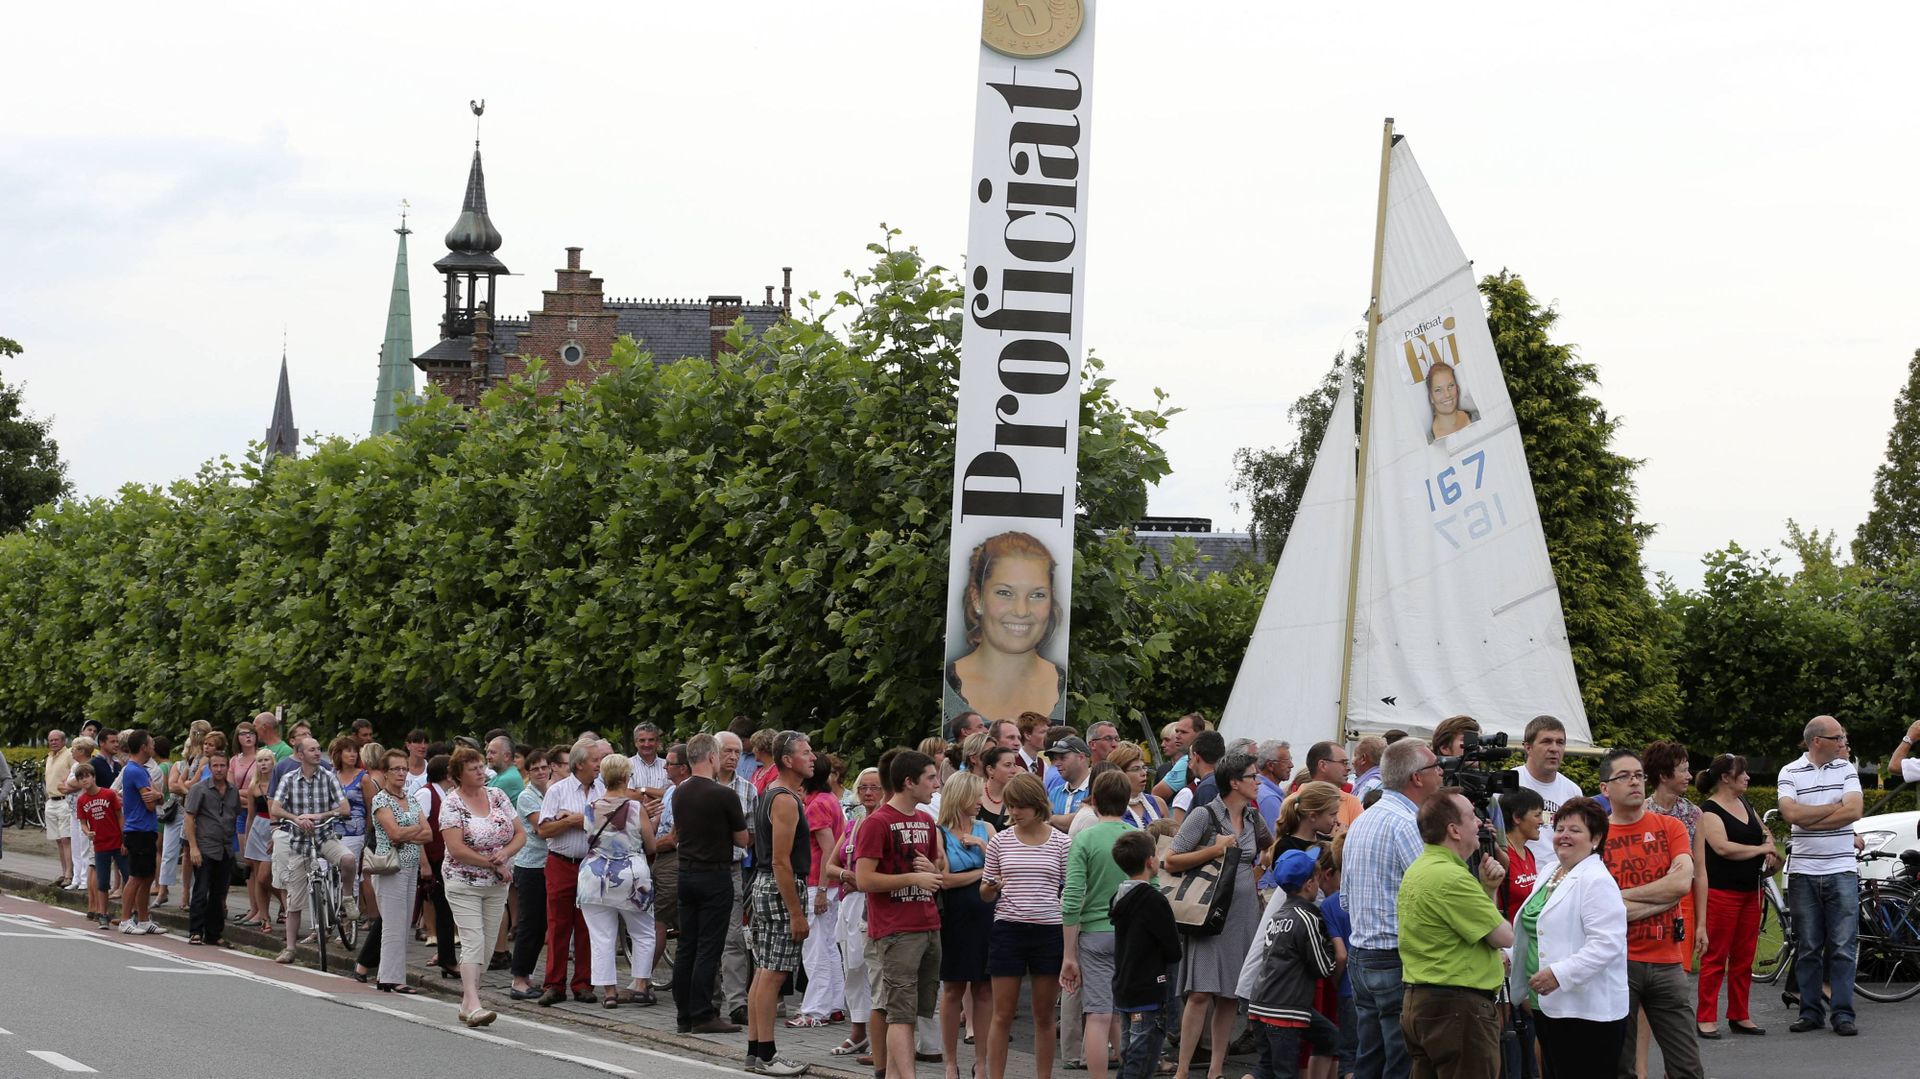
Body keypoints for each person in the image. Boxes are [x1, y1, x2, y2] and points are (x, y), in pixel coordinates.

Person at [1596, 749, 1703, 1078]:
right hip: (1617, 963)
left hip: (1667, 961)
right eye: (1624, 776)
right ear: (1605, 788)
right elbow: (1597, 910)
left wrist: (1619, 899)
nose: (1634, 781)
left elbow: (1682, 882)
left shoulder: (1669, 827)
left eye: (1639, 775)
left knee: (1687, 1066)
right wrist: (1661, 896)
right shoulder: (1596, 836)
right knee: (1620, 1065)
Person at [1165, 752, 1271, 1079]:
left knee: (1229, 996)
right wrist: (1216, 849)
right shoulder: (1204, 814)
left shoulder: (1254, 818)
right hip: (1209, 914)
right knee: (1200, 993)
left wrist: (1263, 864)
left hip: (1243, 914)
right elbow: (1170, 860)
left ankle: (1216, 1070)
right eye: (1253, 776)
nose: (1259, 781)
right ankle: (1183, 1070)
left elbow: (1267, 850)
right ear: (1235, 782)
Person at [1507, 797, 1628, 1079]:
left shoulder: (1596, 880)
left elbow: (1607, 944)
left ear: (1596, 838)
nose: (1563, 835)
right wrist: (1511, 957)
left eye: (1575, 830)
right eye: (1560, 828)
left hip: (1587, 1011)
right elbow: (1536, 930)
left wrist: (1559, 974)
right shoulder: (1550, 871)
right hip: (1547, 1005)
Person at [1344, 738, 1443, 1079]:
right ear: (1417, 777)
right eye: (1435, 768)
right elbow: (1432, 895)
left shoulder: (1363, 820)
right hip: (1394, 955)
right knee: (1402, 1061)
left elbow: (1345, 898)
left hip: (1362, 952)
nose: (1441, 774)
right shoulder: (1406, 824)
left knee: (1369, 1057)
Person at [1397, 791, 1513, 1079]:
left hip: (1423, 1002)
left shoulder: (1420, 869)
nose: (1479, 823)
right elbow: (1503, 937)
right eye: (1471, 817)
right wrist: (1488, 892)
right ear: (1453, 830)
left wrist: (1488, 889)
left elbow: (1469, 927)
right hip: (1458, 1009)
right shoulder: (1452, 877)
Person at [855, 750, 947, 1079]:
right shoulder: (877, 822)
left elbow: (939, 871)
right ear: (908, 783)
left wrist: (930, 868)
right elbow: (864, 879)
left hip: (927, 924)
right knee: (900, 1015)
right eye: (930, 778)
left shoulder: (925, 821)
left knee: (917, 1012)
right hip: (895, 930)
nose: (937, 785)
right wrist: (913, 877)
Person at [1776, 714, 1862, 1037]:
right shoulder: (1789, 771)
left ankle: (1842, 1013)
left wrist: (1809, 821)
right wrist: (1832, 810)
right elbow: (1790, 814)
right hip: (1804, 872)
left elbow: (1853, 811)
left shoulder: (1846, 768)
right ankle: (1811, 1011)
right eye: (1837, 738)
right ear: (1817, 741)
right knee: (1808, 945)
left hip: (1841, 869)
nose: (1842, 743)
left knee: (1842, 945)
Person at [981, 772, 1069, 1079]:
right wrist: (992, 886)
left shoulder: (1062, 841)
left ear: (1037, 805)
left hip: (1048, 930)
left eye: (1020, 806)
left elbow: (1070, 890)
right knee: (1002, 1014)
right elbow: (985, 890)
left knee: (1044, 1016)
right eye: (1010, 806)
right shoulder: (999, 841)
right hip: (1008, 928)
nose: (1014, 812)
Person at [739, 732, 815, 1075]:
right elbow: (782, 861)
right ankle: (768, 1054)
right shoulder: (784, 799)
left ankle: (756, 1052)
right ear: (787, 759)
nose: (812, 757)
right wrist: (797, 913)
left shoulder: (771, 792)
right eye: (806, 751)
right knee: (772, 974)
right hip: (779, 886)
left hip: (765, 885)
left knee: (763, 971)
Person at [1693, 753, 1777, 1038]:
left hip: (1750, 892)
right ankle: (1705, 1016)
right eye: (1742, 772)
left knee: (1744, 958)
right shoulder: (1708, 810)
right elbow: (1722, 848)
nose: (1748, 777)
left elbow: (1765, 832)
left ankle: (1739, 1014)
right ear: (1726, 778)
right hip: (1721, 893)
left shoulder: (1744, 802)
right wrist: (1760, 850)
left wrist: (1769, 844)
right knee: (1715, 957)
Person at [672, 733, 751, 1034]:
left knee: (686, 945)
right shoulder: (724, 795)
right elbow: (743, 839)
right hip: (714, 874)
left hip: (686, 873)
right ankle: (704, 1014)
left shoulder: (679, 792)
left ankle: (684, 1015)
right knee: (709, 947)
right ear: (711, 757)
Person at [441, 744, 524, 1026]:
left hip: (496, 883)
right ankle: (474, 1002)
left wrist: (506, 854)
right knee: (473, 941)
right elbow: (455, 849)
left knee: (488, 947)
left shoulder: (497, 795)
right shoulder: (452, 803)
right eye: (473, 769)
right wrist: (491, 862)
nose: (480, 772)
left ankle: (467, 1003)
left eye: (481, 767)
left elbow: (520, 834)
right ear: (458, 775)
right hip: (462, 881)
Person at [945, 530, 1067, 725]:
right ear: (977, 598)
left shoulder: (1070, 687)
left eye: (1037, 595)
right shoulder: (947, 687)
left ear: (1051, 599)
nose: (1021, 611)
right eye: (1005, 593)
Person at [1238, 848, 1338, 1079]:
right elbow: (1323, 967)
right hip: (1285, 1009)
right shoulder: (1307, 918)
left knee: (1267, 1066)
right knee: (1285, 1072)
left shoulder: (1278, 916)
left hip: (1262, 1002)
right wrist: (1334, 942)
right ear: (1309, 885)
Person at [1060, 770, 1133, 1079]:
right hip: (1131, 934)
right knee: (1125, 1013)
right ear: (1127, 801)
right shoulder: (1137, 837)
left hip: (1094, 933)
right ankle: (1129, 1067)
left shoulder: (1085, 838)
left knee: (1098, 1014)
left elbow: (1073, 895)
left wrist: (1068, 953)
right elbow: (1153, 888)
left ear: (1094, 800)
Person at [580, 752, 659, 1010]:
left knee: (601, 936)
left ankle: (610, 992)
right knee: (644, 932)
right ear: (626, 777)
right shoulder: (636, 808)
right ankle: (639, 984)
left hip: (594, 877)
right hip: (631, 876)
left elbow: (588, 839)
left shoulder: (590, 808)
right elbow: (650, 844)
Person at [268, 735, 356, 964]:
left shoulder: (328, 777)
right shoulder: (288, 779)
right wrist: (295, 818)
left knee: (348, 859)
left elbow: (344, 808)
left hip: (325, 837)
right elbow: (275, 808)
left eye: (318, 749)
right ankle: (289, 948)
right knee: (294, 899)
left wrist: (320, 816)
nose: (318, 753)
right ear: (300, 755)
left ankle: (347, 898)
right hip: (299, 843)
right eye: (312, 750)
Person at [935, 770, 995, 1079]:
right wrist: (982, 871)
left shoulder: (986, 828)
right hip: (955, 919)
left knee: (985, 989)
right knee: (952, 989)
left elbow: (1002, 870)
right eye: (975, 796)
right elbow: (944, 880)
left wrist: (985, 852)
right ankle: (950, 1062)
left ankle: (982, 1061)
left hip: (987, 915)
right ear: (960, 797)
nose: (980, 801)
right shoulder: (939, 832)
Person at [822, 766, 885, 1058]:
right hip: (851, 902)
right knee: (852, 968)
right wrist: (851, 877)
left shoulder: (886, 822)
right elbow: (831, 866)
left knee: (873, 969)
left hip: (875, 903)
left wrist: (854, 877)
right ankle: (858, 1031)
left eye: (875, 787)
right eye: (863, 788)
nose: (869, 793)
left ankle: (878, 1038)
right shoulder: (854, 824)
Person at [538, 739, 606, 1006]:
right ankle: (554, 984)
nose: (599, 765)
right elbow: (543, 830)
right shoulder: (557, 790)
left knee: (587, 926)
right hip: (561, 863)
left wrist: (576, 819)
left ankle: (583, 984)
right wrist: (572, 821)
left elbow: (608, 825)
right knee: (558, 925)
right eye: (594, 760)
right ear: (580, 764)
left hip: (592, 863)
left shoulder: (603, 790)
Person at [1110, 829, 1182, 1079]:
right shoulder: (1153, 900)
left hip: (1124, 984)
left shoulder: (1118, 897)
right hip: (1149, 986)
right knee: (1143, 1051)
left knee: (1130, 1048)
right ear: (1150, 861)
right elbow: (1172, 947)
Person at [363, 749, 431, 993]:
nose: (401, 773)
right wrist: (413, 831)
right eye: (396, 769)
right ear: (386, 772)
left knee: (402, 924)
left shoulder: (410, 799)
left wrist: (407, 833)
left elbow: (429, 833)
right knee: (393, 924)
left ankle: (388, 975)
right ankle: (392, 978)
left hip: (410, 864)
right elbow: (393, 833)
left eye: (404, 769)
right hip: (390, 866)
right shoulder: (382, 800)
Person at [793, 752, 849, 1028]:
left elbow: (828, 848)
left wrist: (822, 889)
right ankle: (835, 1005)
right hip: (829, 885)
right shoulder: (830, 800)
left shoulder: (815, 805)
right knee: (828, 946)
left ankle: (815, 1010)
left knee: (814, 949)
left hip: (818, 882)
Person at [716, 729, 758, 1025]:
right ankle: (708, 999)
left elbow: (752, 834)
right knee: (706, 937)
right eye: (726, 751)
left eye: (736, 752)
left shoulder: (748, 789)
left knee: (734, 938)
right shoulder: (695, 786)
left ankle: (737, 1003)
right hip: (702, 868)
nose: (732, 757)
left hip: (732, 868)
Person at [507, 747, 557, 1000]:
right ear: (528, 772)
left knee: (541, 925)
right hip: (531, 865)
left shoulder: (552, 792)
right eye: (535, 768)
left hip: (547, 864)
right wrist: (566, 819)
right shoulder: (527, 797)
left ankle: (526, 974)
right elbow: (542, 828)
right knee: (530, 923)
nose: (540, 771)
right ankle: (518, 978)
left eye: (543, 767)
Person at [1512, 716, 1582, 870]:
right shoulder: (1509, 784)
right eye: (1546, 741)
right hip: (1518, 879)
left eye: (1560, 742)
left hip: (1559, 878)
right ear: (1528, 747)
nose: (1554, 748)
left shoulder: (1573, 791)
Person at [116, 730, 162, 933]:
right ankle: (126, 919)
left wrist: (157, 795)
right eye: (151, 744)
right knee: (136, 876)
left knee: (148, 875)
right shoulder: (135, 770)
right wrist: (158, 795)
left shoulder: (140, 770)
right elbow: (151, 803)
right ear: (143, 747)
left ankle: (143, 919)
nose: (153, 747)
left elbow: (155, 797)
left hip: (146, 828)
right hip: (138, 829)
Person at [74, 760, 127, 929]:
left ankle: (128, 912)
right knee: (103, 882)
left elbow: (119, 815)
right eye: (81, 778)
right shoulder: (82, 800)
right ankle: (102, 914)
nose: (85, 780)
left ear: (94, 777)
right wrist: (86, 831)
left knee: (128, 875)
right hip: (100, 844)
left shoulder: (108, 794)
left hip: (117, 841)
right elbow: (82, 822)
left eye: (87, 776)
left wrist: (124, 838)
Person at [238, 746, 278, 928]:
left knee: (265, 876)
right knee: (255, 874)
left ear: (273, 762)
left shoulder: (279, 783)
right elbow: (250, 815)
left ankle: (287, 904)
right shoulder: (253, 787)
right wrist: (246, 840)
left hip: (274, 828)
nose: (263, 764)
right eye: (260, 761)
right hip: (258, 829)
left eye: (266, 760)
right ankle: (263, 916)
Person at [1498, 787, 1545, 921]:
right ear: (1517, 817)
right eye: (1537, 815)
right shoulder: (1500, 855)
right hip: (1506, 938)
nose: (1542, 821)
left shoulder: (1528, 853)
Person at [1167, 731, 1226, 826]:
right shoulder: (1229, 780)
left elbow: (1206, 827)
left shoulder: (1207, 787)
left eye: (1190, 759)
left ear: (1196, 757)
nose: (1189, 765)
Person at [1304, 741, 1365, 828]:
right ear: (1323, 765)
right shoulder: (1295, 801)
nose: (1349, 768)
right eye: (1343, 762)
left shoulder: (1351, 803)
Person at [1106, 743, 1167, 830]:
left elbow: (1169, 839)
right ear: (1119, 773)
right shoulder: (1108, 807)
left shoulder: (1158, 803)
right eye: (1136, 769)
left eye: (1144, 767)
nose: (1144, 773)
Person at [1151, 713, 1208, 803]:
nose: (1177, 736)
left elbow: (1155, 794)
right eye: (1177, 731)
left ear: (1199, 734)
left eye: (1183, 732)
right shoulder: (1210, 757)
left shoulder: (1185, 761)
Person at [1047, 735, 1094, 830]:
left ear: (1081, 757)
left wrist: (1052, 819)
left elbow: (1086, 820)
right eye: (1055, 758)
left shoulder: (1096, 789)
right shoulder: (1055, 792)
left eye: (1062, 758)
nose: (1057, 763)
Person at [1426, 361, 1473, 440]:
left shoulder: (1476, 418)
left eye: (1451, 386)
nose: (1447, 394)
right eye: (1438, 390)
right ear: (1431, 397)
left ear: (1457, 388)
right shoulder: (1429, 441)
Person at [978, 745, 1020, 831]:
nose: (1014, 770)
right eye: (1007, 765)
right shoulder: (974, 793)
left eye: (1014, 765)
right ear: (990, 770)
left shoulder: (1018, 797)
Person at [1254, 740, 1293, 829]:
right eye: (1286, 761)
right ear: (1270, 765)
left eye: (1290, 760)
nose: (1291, 765)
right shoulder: (1269, 798)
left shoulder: (1261, 790)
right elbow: (1276, 838)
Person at [1351, 736, 1387, 803]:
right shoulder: (1388, 781)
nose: (1352, 762)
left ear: (1363, 759)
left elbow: (1357, 812)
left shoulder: (1370, 786)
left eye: (1355, 755)